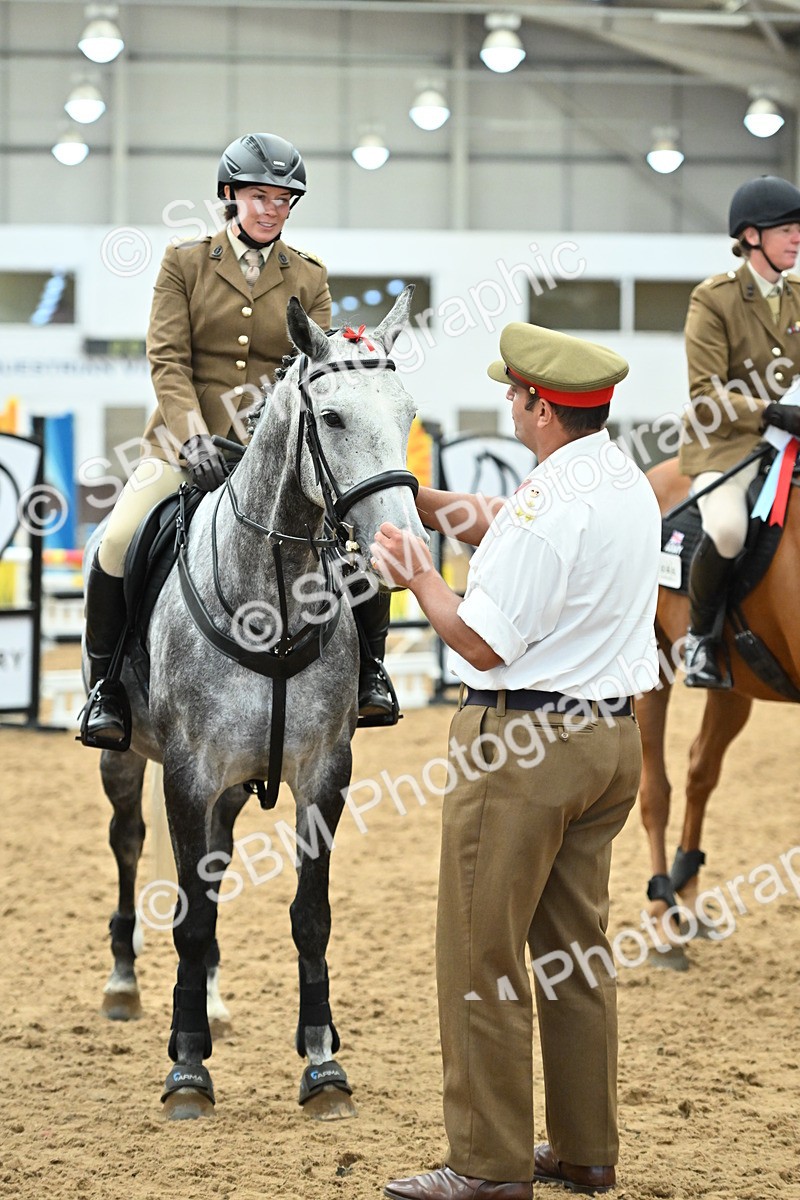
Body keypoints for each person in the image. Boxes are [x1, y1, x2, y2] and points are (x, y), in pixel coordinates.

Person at [373, 323, 661, 1200]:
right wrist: (426, 501)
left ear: (540, 405)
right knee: (576, 954)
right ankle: (585, 1150)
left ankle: (488, 1166)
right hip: (610, 744)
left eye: (516, 393)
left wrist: (419, 574)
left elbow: (483, 642)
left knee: (479, 954)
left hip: (523, 749)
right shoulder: (616, 478)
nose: (509, 401)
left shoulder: (548, 503)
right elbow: (512, 524)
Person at [82, 131, 394, 744]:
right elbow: (168, 361)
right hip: (183, 445)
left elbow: (316, 370)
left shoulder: (309, 275)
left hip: (275, 455)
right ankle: (107, 686)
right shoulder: (186, 262)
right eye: (259, 195)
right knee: (118, 540)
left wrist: (269, 444)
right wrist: (193, 438)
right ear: (229, 196)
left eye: (284, 198)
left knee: (351, 543)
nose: (273, 208)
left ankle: (369, 674)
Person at [681, 174, 800, 688]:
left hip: (795, 444)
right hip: (729, 447)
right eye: (787, 230)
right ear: (751, 236)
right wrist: (772, 412)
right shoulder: (714, 300)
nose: (797, 238)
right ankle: (702, 638)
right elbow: (704, 393)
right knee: (728, 529)